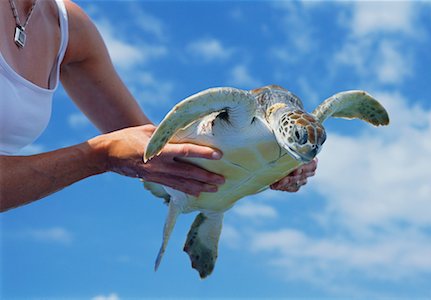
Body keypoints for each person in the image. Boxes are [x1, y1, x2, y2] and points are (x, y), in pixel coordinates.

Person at [0, 0, 318, 212]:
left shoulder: (66, 24)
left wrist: (268, 160)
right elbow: (116, 149)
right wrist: (98, 156)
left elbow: (156, 151)